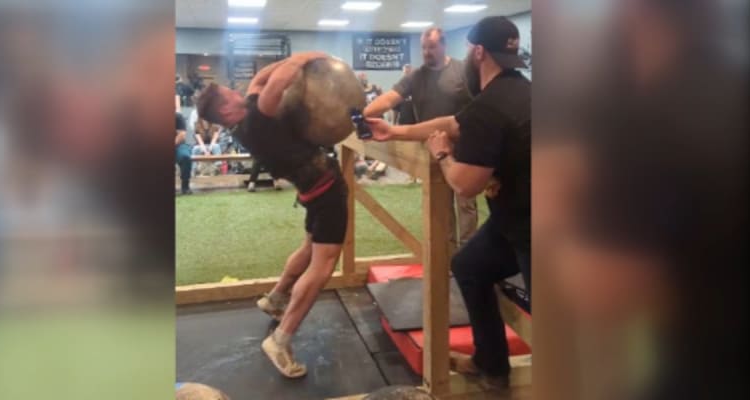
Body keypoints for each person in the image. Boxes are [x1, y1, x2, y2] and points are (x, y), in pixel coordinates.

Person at [366, 16, 530, 390]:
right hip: (514, 221)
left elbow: (466, 185)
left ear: (477, 53)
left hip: (537, 229)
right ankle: (492, 364)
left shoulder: (492, 106)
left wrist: (442, 155)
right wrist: (394, 130)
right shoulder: (517, 90)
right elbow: (453, 122)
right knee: (468, 266)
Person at [196, 51, 348, 379]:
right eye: (230, 93)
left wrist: (284, 65)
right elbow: (278, 79)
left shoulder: (247, 115)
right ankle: (281, 339)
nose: (238, 93)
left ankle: (277, 298)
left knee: (310, 249)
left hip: (311, 191)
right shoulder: (256, 120)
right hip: (324, 191)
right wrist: (311, 56)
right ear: (225, 108)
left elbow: (259, 80)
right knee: (323, 264)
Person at [364, 27, 478, 249]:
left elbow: (481, 103)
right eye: (424, 47)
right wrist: (362, 115)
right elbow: (388, 99)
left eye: (432, 47)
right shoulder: (415, 77)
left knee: (466, 205)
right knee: (440, 205)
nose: (427, 52)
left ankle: (468, 254)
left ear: (443, 45)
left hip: (464, 149)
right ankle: (448, 256)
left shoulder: (463, 71)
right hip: (432, 150)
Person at [175, 112, 193, 195]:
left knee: (185, 157)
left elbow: (182, 135)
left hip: (178, 145)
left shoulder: (177, 116)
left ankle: (185, 187)